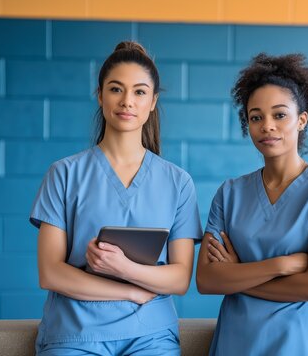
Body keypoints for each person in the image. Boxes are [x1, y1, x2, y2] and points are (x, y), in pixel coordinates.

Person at [30, 41, 202, 355]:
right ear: (100, 95)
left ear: (153, 101)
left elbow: (179, 278)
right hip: (75, 333)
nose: (127, 101)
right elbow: (50, 272)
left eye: (139, 92)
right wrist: (132, 292)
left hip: (151, 335)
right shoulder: (64, 174)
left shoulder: (178, 182)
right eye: (115, 89)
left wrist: (124, 268)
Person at [196, 53, 308, 355]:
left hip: (305, 342)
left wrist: (239, 276)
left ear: (301, 120)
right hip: (238, 342)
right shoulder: (229, 193)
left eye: (279, 115)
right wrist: (281, 265)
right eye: (256, 117)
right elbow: (206, 279)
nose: (267, 126)